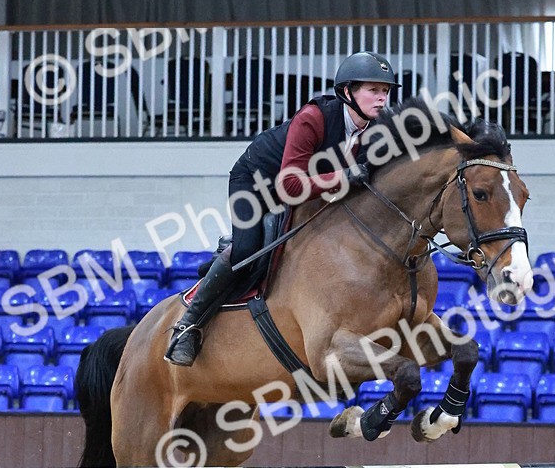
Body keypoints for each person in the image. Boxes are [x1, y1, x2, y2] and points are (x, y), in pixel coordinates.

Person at [164, 51, 399, 366]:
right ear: (347, 92)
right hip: (257, 182)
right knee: (249, 248)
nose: (382, 98)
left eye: (385, 91)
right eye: (374, 90)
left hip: (308, 189)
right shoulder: (313, 118)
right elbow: (290, 185)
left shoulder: (376, 128)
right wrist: (342, 176)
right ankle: (188, 325)